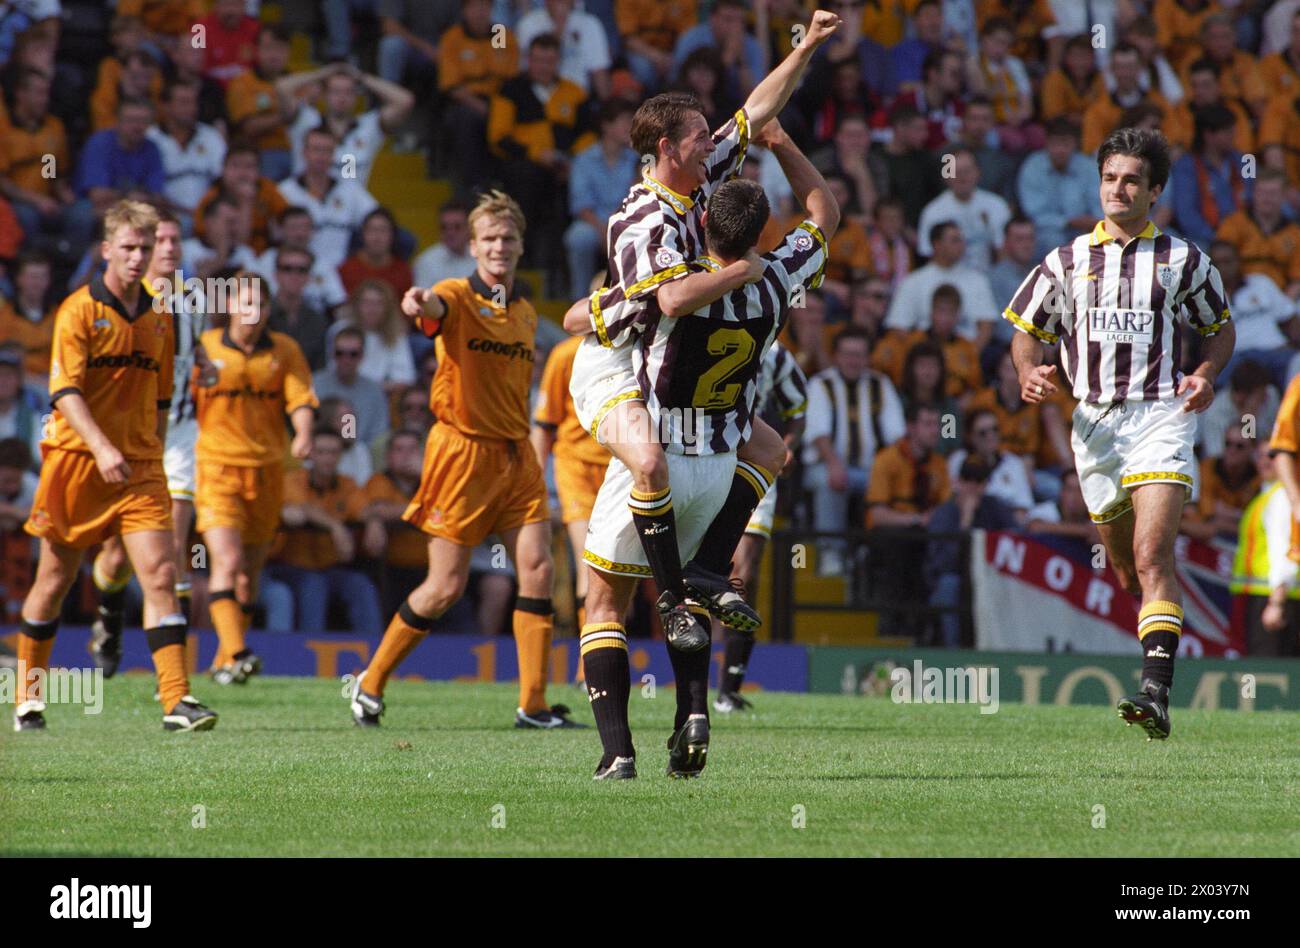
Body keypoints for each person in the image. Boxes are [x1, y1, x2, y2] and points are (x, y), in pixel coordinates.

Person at [563, 11, 842, 654]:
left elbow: (754, 110)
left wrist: (804, 48)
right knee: (651, 462)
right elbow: (669, 297)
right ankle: (673, 597)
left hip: (676, 351)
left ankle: (708, 575)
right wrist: (746, 269)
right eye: (697, 138)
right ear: (666, 149)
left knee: (770, 449)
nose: (711, 144)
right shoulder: (641, 220)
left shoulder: (700, 178)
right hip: (621, 355)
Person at [573, 124, 837, 779]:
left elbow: (591, 321)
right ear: (762, 232)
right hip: (722, 470)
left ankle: (617, 753)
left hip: (656, 461)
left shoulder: (678, 290)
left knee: (603, 604)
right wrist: (781, 142)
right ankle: (694, 708)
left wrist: (603, 303)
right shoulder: (778, 280)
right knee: (768, 457)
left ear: (702, 228)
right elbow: (826, 208)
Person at [1008, 127, 1235, 741]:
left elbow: (1219, 327)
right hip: (1092, 425)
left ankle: (1155, 693)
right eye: (1110, 177)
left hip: (1160, 414)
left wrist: (1207, 374)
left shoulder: (1184, 260)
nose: (1118, 188)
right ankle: (1155, 644)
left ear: (1155, 190)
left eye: (1132, 179)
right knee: (1125, 567)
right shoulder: (1066, 260)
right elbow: (1026, 329)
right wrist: (1030, 371)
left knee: (1151, 555)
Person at [349, 190, 579, 730]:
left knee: (539, 569)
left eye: (509, 238)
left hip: (516, 453)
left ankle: (534, 704)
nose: (500, 246)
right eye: (490, 239)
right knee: (445, 587)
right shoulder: (454, 294)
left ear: (521, 246)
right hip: (461, 452)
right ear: (473, 247)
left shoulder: (523, 312)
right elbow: (431, 309)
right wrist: (416, 304)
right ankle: (370, 682)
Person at [14, 200, 217, 732]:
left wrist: (143, 447)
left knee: (160, 572)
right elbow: (63, 392)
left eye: (144, 249)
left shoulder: (161, 315)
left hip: (140, 466)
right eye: (127, 248)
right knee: (54, 579)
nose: (137, 257)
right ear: (106, 250)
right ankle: (28, 697)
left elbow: (163, 396)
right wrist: (103, 447)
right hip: (78, 461)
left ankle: (177, 701)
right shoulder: (78, 310)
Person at [88, 210, 207, 675]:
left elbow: (191, 353)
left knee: (172, 549)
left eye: (177, 240)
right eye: (160, 241)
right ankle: (109, 617)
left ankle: (171, 679)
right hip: (126, 436)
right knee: (116, 555)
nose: (170, 248)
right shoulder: (128, 302)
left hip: (175, 435)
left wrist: (204, 365)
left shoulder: (193, 301)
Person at [191, 270, 317, 681]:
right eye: (245, 303)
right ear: (229, 305)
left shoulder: (284, 350)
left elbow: (300, 397)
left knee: (250, 574)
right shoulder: (204, 349)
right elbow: (180, 402)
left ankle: (225, 662)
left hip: (267, 471)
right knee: (226, 560)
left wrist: (303, 433)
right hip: (216, 467)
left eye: (261, 305)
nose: (253, 312)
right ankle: (241, 651)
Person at [714, 339, 807, 713]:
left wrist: (788, 445)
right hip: (708, 457)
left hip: (756, 463)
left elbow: (798, 406)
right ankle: (692, 688)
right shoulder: (706, 327)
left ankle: (729, 687)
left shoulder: (777, 352)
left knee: (744, 572)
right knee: (705, 573)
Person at [531, 331, 611, 655]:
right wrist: (534, 484)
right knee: (589, 561)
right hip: (575, 469)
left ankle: (606, 653)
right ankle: (586, 665)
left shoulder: (639, 350)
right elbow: (544, 424)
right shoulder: (565, 354)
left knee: (616, 571)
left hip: (622, 468)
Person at [804, 327, 905, 576]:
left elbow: (896, 436)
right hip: (826, 464)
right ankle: (831, 553)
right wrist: (834, 464)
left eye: (859, 354)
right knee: (830, 481)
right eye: (847, 354)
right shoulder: (821, 383)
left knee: (896, 481)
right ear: (836, 355)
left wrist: (885, 472)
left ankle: (871, 557)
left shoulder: (880, 384)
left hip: (871, 469)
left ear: (868, 357)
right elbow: (818, 433)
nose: (853, 360)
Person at [267, 426, 382, 634]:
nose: (328, 458)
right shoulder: (293, 480)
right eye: (321, 452)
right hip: (289, 566)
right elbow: (303, 509)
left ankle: (376, 656)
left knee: (361, 585)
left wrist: (374, 522)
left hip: (331, 567)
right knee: (314, 585)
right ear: (310, 453)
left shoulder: (347, 484)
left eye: (333, 452)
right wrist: (336, 526)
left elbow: (365, 508)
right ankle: (310, 656)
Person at [924, 455, 1018, 647]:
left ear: (985, 485)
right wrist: (965, 521)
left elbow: (1017, 537)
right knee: (948, 585)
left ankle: (1006, 649)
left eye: (979, 481)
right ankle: (954, 652)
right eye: (968, 480)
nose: (972, 487)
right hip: (954, 578)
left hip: (989, 578)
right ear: (958, 482)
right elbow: (943, 564)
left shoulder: (994, 507)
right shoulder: (944, 514)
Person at [278, 61, 415, 188]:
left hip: (353, 209)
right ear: (325, 95)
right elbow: (282, 87)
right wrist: (323, 73)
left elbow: (404, 100)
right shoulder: (306, 120)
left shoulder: (369, 126)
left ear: (356, 96)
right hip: (307, 206)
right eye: (336, 91)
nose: (342, 98)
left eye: (348, 92)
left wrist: (361, 77)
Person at [564, 98, 639, 298]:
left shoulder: (637, 159)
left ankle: (632, 299)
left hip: (625, 221)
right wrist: (604, 230)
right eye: (624, 121)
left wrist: (616, 228)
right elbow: (580, 205)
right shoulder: (584, 158)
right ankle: (579, 300)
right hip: (593, 222)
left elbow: (638, 198)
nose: (630, 127)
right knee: (578, 238)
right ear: (606, 125)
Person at [338, 208, 413, 300]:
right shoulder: (346, 270)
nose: (377, 237)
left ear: (393, 235)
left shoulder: (403, 271)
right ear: (363, 234)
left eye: (383, 230)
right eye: (372, 230)